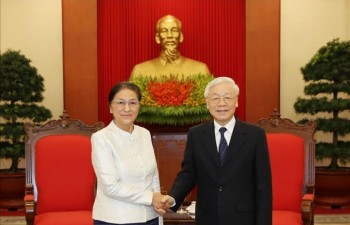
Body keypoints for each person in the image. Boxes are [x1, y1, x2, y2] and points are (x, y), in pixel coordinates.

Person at [164, 77, 273, 225]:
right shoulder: (196, 134)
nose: (222, 103)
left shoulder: (255, 135)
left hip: (243, 218)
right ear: (207, 104)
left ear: (236, 102)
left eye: (227, 98)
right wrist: (173, 198)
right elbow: (188, 174)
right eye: (215, 98)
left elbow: (263, 186)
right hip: (208, 216)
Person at [91, 82, 170, 225]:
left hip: (150, 216)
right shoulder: (101, 138)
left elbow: (153, 175)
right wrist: (151, 198)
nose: (127, 108)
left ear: (139, 106)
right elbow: (110, 186)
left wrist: (159, 203)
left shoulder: (144, 133)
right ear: (110, 107)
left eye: (133, 103)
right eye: (120, 103)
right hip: (116, 218)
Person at [130, 15, 211, 79]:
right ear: (157, 38)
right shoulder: (140, 71)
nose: (169, 35)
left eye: (174, 30)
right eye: (164, 31)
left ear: (181, 36)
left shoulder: (200, 70)